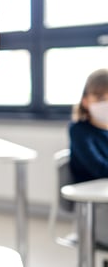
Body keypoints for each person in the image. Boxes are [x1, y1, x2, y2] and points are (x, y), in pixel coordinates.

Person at [69, 68, 108, 247]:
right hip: (96, 208)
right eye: (100, 99)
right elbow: (99, 169)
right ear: (85, 101)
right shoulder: (79, 131)